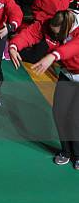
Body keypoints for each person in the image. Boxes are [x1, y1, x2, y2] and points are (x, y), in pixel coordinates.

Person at [10, 10, 79, 169]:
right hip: (67, 74)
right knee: (59, 113)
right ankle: (66, 152)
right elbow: (30, 34)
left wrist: (53, 55)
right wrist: (14, 46)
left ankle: (78, 154)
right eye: (53, 35)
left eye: (57, 35)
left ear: (67, 29)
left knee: (75, 119)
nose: (54, 38)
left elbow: (74, 47)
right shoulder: (50, 23)